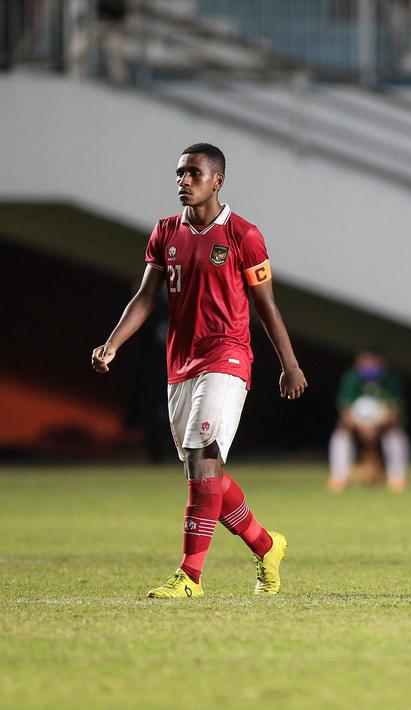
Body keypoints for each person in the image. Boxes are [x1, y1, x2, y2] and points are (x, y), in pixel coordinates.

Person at [91, 142, 307, 598]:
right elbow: (147, 297)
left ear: (217, 181)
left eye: (193, 174)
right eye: (179, 174)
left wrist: (289, 364)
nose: (183, 181)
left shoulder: (244, 236)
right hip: (181, 363)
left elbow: (266, 306)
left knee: (204, 457)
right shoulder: (165, 231)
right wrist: (112, 344)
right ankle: (267, 546)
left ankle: (189, 577)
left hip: (227, 357)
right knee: (201, 469)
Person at [328, 350, 411, 493]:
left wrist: (375, 427)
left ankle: (397, 477)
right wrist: (362, 427)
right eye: (366, 362)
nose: (370, 366)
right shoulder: (351, 378)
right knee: (341, 433)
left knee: (395, 434)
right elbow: (345, 411)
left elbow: (394, 412)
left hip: (382, 424)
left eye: (374, 362)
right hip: (357, 425)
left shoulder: (390, 379)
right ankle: (339, 477)